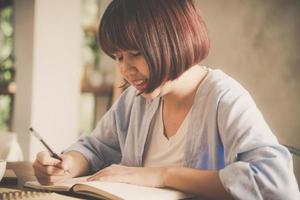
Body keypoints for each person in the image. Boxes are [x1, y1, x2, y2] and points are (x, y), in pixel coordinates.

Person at [33, 0, 299, 199]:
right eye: (118, 57)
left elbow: (276, 184)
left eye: (135, 53)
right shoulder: (136, 100)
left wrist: (160, 175)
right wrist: (67, 163)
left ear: (173, 41)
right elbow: (96, 147)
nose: (125, 69)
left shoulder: (224, 98)